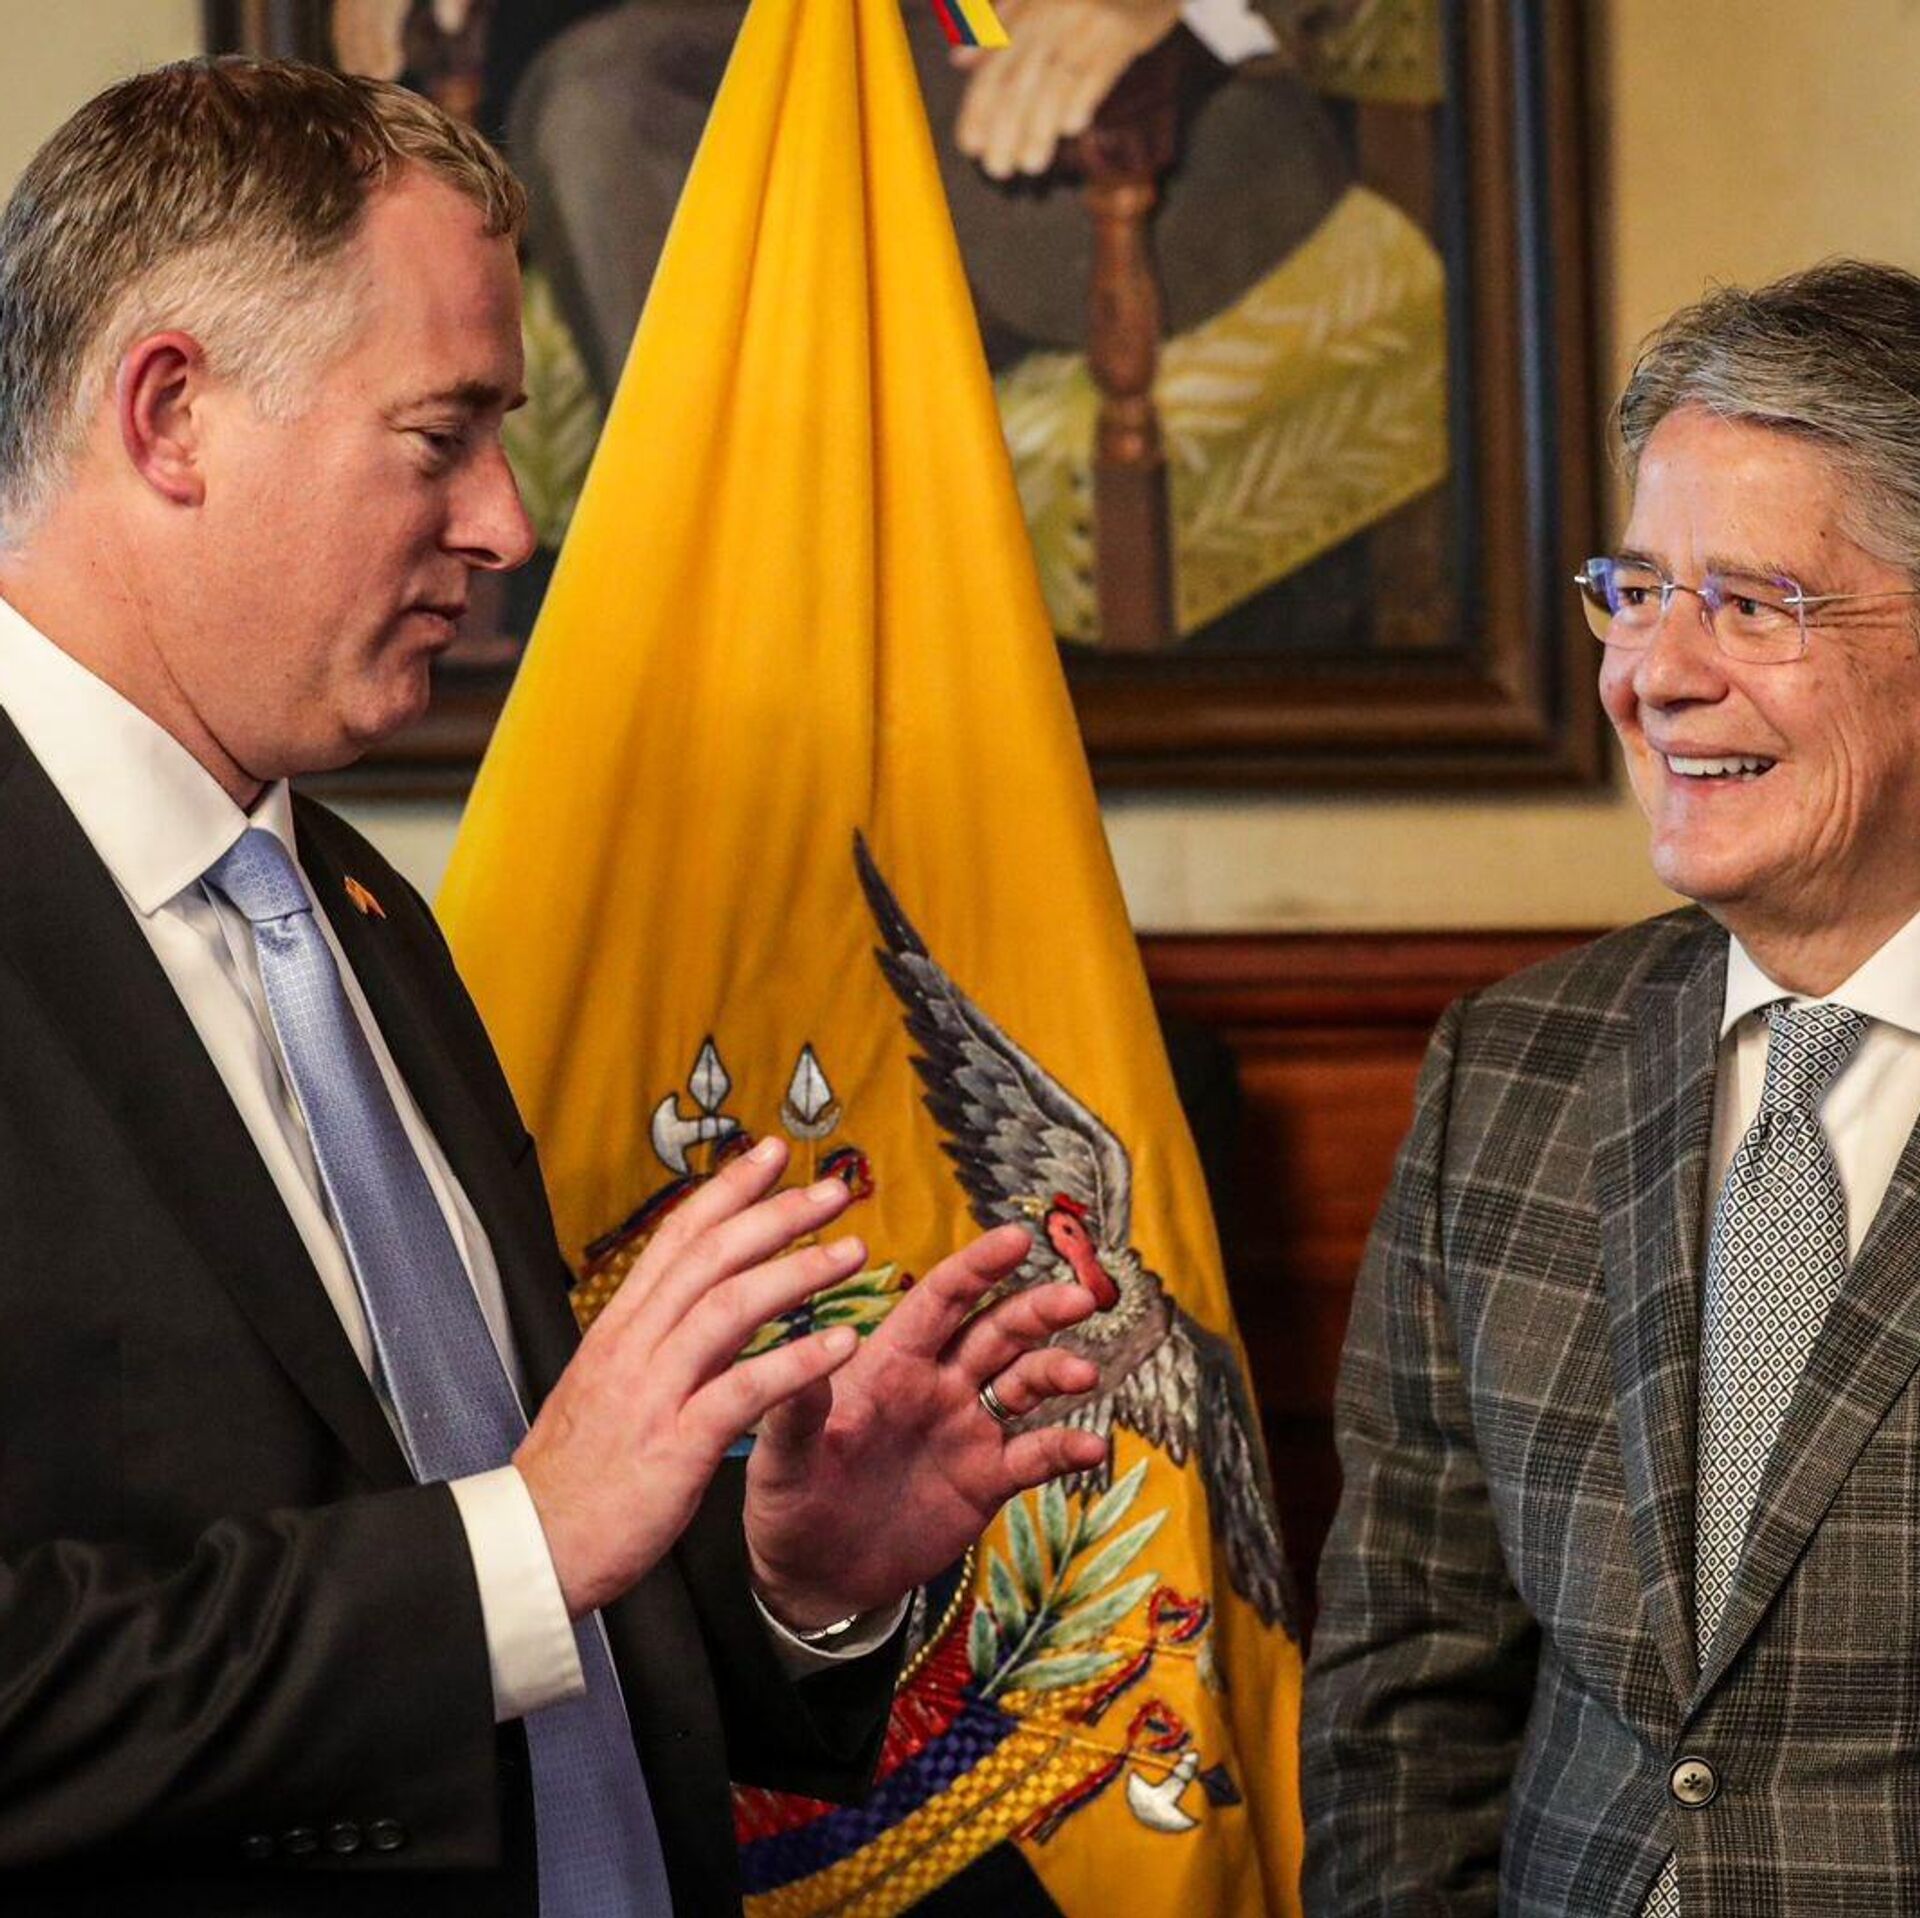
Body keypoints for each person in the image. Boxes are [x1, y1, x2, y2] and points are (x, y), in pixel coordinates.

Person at [0, 57, 1113, 1915]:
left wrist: (791, 1580)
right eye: (440, 436)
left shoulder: (353, 910)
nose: (507, 525)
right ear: (173, 415)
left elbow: (528, 1591)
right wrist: (524, 1540)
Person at [1301, 258, 1920, 1912]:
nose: (1656, 673)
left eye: (1753, 603)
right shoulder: (1508, 1071)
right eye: (1637, 589)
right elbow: (1399, 1696)